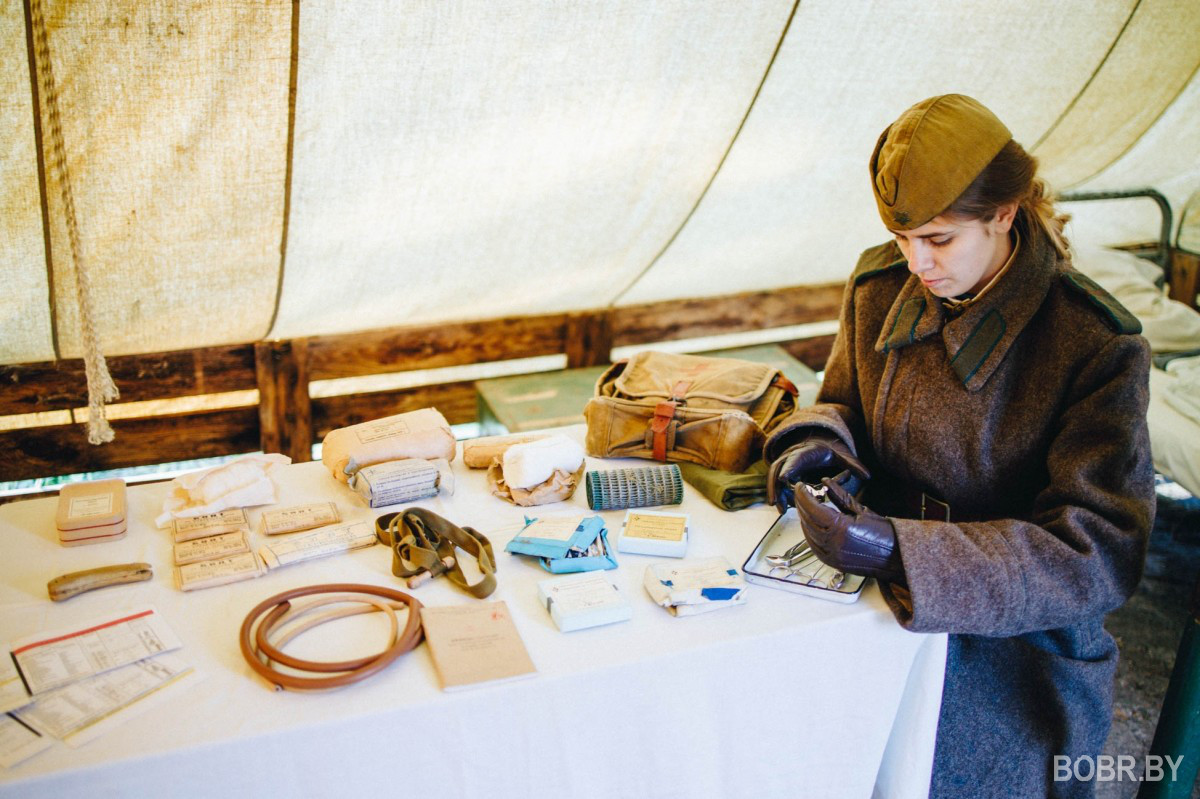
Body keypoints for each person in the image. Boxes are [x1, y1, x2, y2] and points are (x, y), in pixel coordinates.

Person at [766, 94, 1154, 798]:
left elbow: (1097, 552)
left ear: (1005, 213)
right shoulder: (878, 286)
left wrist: (900, 550)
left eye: (939, 239)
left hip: (1017, 661)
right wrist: (817, 445)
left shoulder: (1094, 343)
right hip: (874, 614)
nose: (915, 261)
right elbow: (842, 403)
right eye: (903, 236)